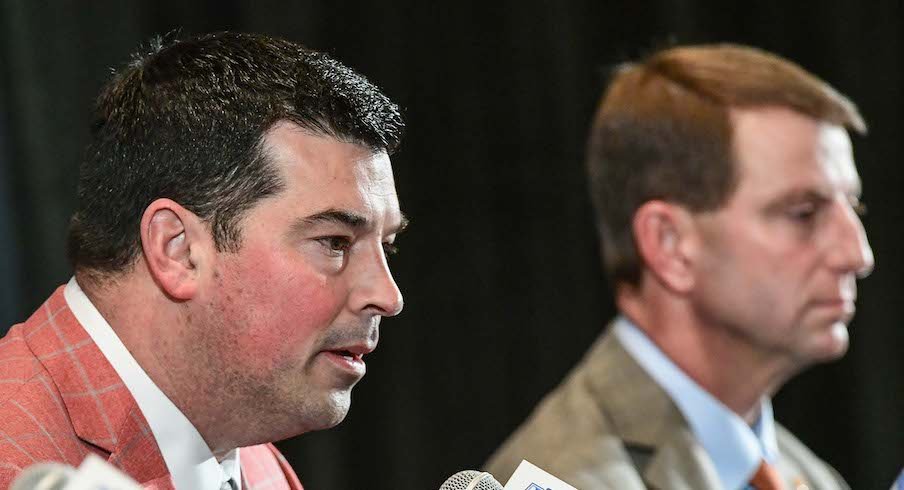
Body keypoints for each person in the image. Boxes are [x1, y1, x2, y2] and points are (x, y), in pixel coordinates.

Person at [0, 31, 406, 489]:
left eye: (386, 245)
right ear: (178, 250)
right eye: (335, 242)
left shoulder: (252, 459)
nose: (388, 297)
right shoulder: (12, 456)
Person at [485, 43, 872, 490]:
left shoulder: (813, 478)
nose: (857, 255)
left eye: (853, 206)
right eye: (803, 212)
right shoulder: (566, 477)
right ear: (668, 245)